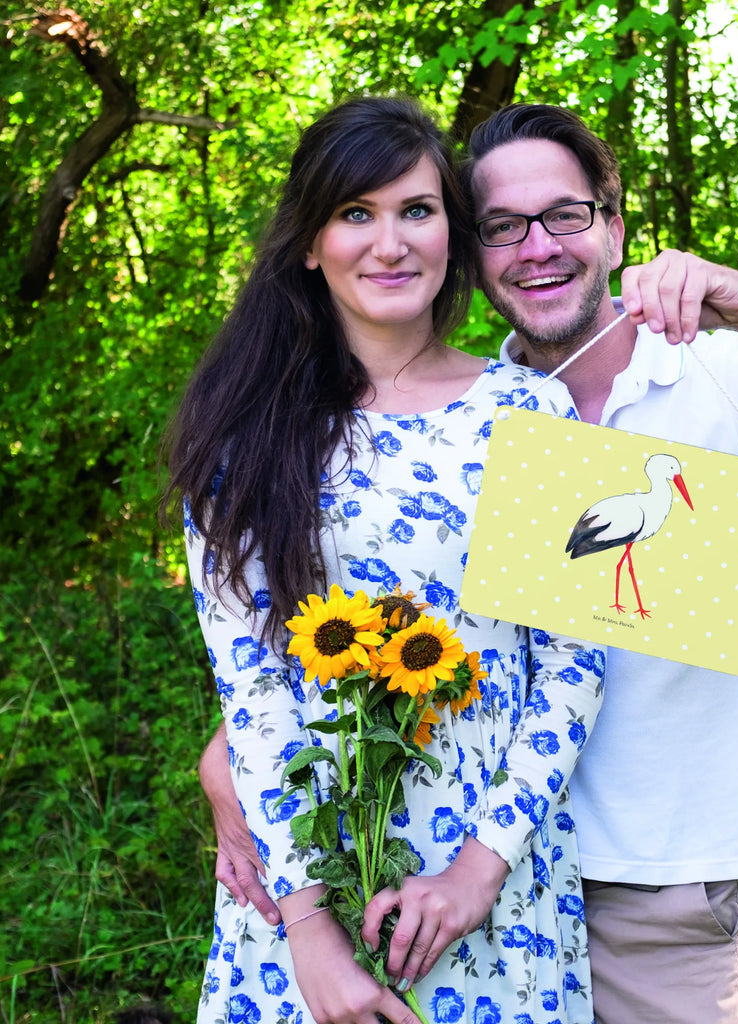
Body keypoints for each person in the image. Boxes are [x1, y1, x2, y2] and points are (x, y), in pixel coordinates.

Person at [202, 102, 738, 1024]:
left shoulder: (714, 372)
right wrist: (234, 767)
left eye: (565, 215)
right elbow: (343, 632)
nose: (537, 247)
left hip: (657, 887)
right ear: (474, 250)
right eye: (502, 227)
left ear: (612, 226)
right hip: (443, 876)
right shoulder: (465, 414)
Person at [165, 96, 608, 1024]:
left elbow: (573, 665)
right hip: (303, 887)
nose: (390, 242)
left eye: (417, 210)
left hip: (492, 888)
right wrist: (311, 936)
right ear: (308, 243)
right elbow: (253, 692)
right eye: (355, 214)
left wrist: (478, 873)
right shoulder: (243, 438)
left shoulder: (534, 413)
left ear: (452, 229)